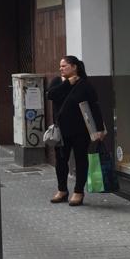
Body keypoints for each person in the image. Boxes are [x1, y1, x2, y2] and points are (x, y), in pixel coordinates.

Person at [46, 55, 106, 207]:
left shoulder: (84, 84)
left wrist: (99, 129)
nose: (61, 68)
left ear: (74, 67)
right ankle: (62, 190)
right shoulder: (57, 82)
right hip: (61, 131)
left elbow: (94, 106)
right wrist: (67, 84)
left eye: (64, 66)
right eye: (60, 66)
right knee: (61, 161)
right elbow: (50, 95)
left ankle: (78, 191)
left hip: (80, 130)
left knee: (80, 160)